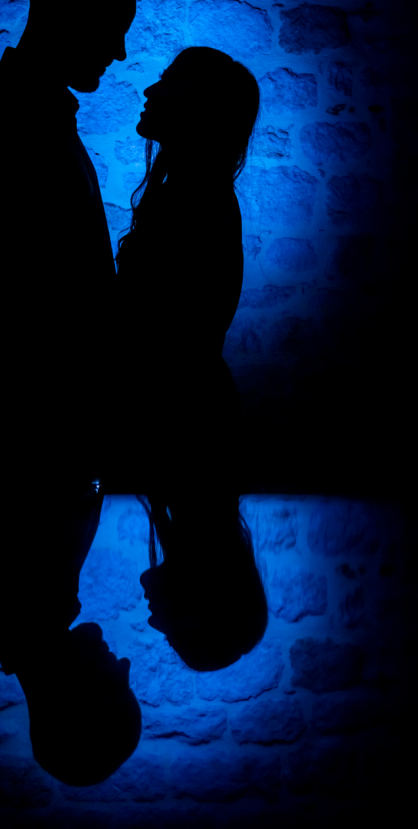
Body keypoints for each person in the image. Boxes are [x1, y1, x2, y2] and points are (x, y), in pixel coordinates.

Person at [0, 0, 141, 785]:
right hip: (28, 430)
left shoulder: (17, 115)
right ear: (75, 17)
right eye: (115, 32)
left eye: (115, 688)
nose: (121, 53)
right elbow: (36, 309)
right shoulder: (16, 123)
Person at [111, 46, 268, 672]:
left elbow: (149, 333)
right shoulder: (195, 197)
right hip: (189, 421)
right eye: (174, 627)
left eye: (169, 85)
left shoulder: (192, 201)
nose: (150, 89)